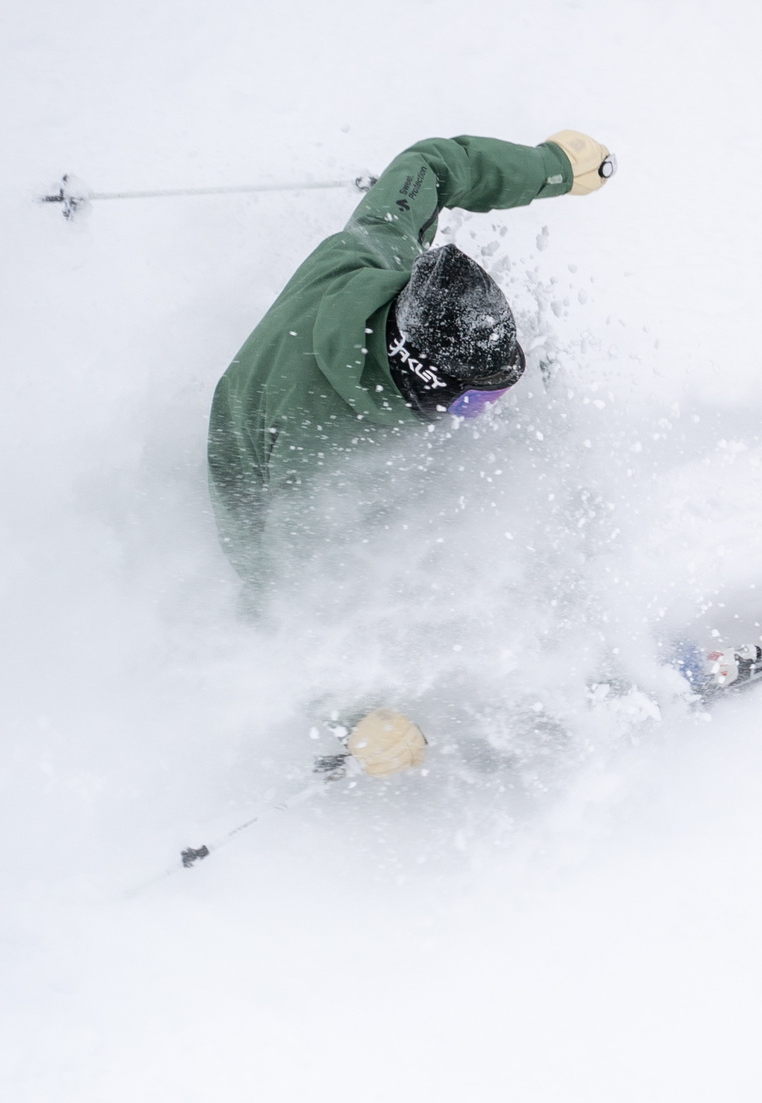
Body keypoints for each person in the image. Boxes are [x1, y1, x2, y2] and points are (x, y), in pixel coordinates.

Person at [206, 127, 615, 777]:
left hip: (313, 388)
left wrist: (548, 168)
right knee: (395, 564)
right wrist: (359, 717)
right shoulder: (323, 460)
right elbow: (284, 592)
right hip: (255, 474)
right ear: (417, 379)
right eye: (475, 405)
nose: (487, 417)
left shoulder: (379, 253)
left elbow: (431, 164)